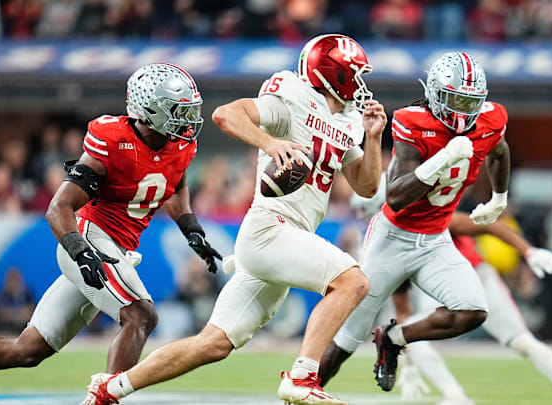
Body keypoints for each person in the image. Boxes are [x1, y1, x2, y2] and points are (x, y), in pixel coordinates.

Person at [80, 33, 386, 405]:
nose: (360, 83)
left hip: (288, 239)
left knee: (213, 343)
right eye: (354, 74)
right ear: (332, 75)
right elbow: (226, 114)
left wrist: (373, 138)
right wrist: (271, 144)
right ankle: (303, 377)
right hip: (270, 230)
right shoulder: (293, 95)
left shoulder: (350, 119)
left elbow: (367, 186)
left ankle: (109, 389)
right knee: (352, 282)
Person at [0, 63, 222, 402]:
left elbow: (174, 184)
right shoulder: (113, 140)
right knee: (140, 315)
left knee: (28, 350)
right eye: (178, 110)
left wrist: (191, 229)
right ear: (149, 109)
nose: (188, 119)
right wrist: (80, 253)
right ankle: (103, 398)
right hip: (89, 238)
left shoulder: (179, 147)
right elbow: (58, 208)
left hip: (116, 250)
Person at [318, 51, 511, 392]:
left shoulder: (490, 119)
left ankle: (394, 338)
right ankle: (302, 392)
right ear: (436, 93)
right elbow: (395, 195)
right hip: (393, 237)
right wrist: (444, 158)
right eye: (455, 100)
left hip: (436, 240)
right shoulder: (412, 121)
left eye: (471, 103)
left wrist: (499, 197)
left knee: (473, 310)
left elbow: (499, 149)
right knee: (347, 339)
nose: (464, 112)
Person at [395, 213, 552, 405]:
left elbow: (490, 226)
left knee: (522, 341)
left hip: (475, 279)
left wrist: (528, 251)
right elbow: (403, 312)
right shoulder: (395, 249)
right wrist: (409, 363)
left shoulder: (430, 221)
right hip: (449, 290)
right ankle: (455, 396)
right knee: (407, 332)